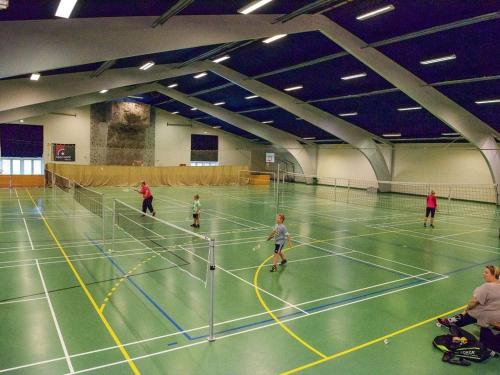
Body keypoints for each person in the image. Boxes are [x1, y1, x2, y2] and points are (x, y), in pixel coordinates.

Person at [437, 266, 500, 337]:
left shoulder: (486, 287)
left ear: (494, 275)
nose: (483, 274)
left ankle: (449, 322)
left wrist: (466, 310)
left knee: (471, 312)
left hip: (486, 317)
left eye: (486, 273)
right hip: (497, 317)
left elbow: (473, 302)